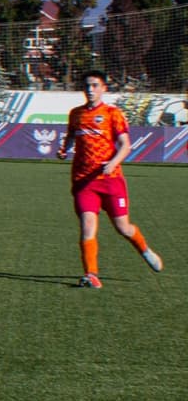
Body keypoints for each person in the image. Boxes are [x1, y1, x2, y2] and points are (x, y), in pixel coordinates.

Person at [58, 70, 163, 287]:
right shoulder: (75, 114)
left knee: (123, 227)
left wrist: (113, 163)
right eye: (87, 85)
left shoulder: (112, 113)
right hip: (84, 181)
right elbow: (70, 138)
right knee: (87, 224)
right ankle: (91, 274)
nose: (90, 89)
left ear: (104, 88)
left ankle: (144, 249)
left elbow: (125, 145)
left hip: (111, 180)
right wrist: (64, 150)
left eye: (95, 85)